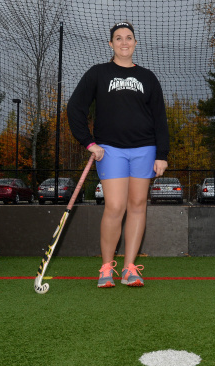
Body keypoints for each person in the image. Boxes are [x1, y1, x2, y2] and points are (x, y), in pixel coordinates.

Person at [67, 21, 169, 288]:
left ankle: (130, 268)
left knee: (137, 206)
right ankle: (106, 267)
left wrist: (162, 154)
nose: (124, 42)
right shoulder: (98, 73)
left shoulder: (148, 77)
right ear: (110, 44)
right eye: (118, 38)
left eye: (129, 38)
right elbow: (75, 108)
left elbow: (160, 119)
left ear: (135, 43)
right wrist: (89, 143)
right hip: (110, 150)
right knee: (114, 206)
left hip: (145, 150)